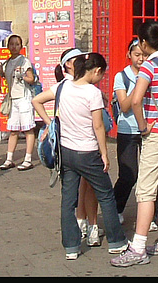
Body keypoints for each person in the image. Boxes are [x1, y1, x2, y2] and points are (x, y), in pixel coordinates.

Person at [33, 52, 128, 260]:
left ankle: (71, 247)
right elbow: (98, 125)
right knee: (106, 195)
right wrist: (104, 154)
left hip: (66, 152)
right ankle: (116, 242)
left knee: (68, 200)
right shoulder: (91, 93)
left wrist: (50, 123)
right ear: (95, 71)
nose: (101, 79)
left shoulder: (62, 87)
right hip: (88, 152)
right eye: (101, 75)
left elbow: (36, 101)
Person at [110, 21, 158, 267]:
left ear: (143, 43)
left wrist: (143, 127)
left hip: (157, 133)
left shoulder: (150, 66)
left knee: (145, 190)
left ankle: (139, 246)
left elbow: (136, 100)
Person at [55, 48, 104, 246]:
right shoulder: (68, 85)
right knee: (92, 189)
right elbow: (98, 125)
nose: (84, 60)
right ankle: (90, 226)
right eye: (78, 59)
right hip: (85, 146)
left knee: (80, 189)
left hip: (70, 148)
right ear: (68, 64)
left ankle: (82, 225)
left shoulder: (78, 86)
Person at [112, 38, 146, 225]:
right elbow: (125, 106)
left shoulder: (151, 73)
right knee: (129, 174)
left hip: (147, 127)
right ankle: (116, 208)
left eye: (144, 54)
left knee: (150, 175)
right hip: (128, 129)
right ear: (129, 55)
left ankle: (151, 215)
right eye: (137, 54)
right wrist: (139, 86)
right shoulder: (121, 77)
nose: (141, 59)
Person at [0, 35, 37, 171]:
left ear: (21, 47)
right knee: (13, 130)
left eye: (17, 44)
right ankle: (9, 159)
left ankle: (28, 159)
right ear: (8, 46)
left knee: (27, 129)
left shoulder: (24, 61)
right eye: (11, 44)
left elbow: (31, 79)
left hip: (24, 98)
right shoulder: (7, 62)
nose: (14, 47)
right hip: (13, 99)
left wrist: (23, 76)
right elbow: (7, 78)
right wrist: (0, 72)